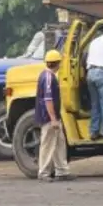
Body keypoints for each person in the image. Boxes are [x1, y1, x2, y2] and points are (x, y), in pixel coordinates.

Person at [36, 50, 73, 182]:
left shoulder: (47, 76)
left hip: (54, 117)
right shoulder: (48, 78)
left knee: (59, 143)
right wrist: (53, 119)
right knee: (48, 144)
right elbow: (48, 99)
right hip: (49, 118)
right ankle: (43, 172)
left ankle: (62, 171)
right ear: (57, 63)